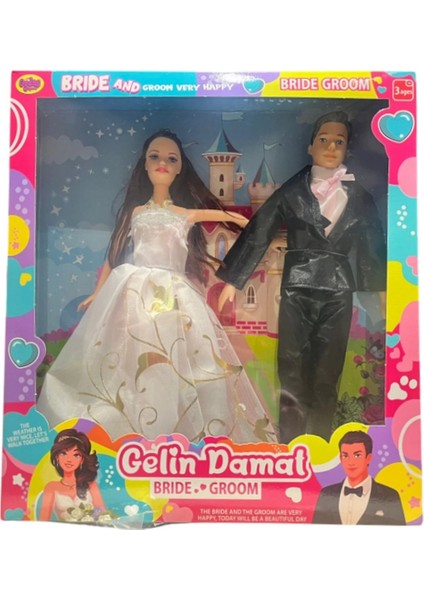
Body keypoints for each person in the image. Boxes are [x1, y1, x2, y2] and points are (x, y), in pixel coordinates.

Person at [37, 130, 277, 443]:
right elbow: (113, 253)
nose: (163, 163)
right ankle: (130, 426)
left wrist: (250, 223)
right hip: (135, 290)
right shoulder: (135, 213)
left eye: (171, 158)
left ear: (179, 169)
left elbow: (223, 215)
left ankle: (172, 429)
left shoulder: (185, 214)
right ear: (145, 164)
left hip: (174, 293)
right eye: (155, 156)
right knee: (127, 356)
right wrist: (98, 291)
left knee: (178, 356)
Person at [217, 112, 386, 442]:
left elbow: (372, 244)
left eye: (339, 142)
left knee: (328, 374)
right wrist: (233, 278)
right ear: (310, 147)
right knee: (291, 371)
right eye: (324, 140)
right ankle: (290, 445)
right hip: (297, 289)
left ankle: (321, 445)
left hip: (338, 291)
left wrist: (381, 290)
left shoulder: (360, 197)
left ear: (347, 149)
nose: (331, 147)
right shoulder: (292, 192)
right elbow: (261, 230)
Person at [313, 430, 405, 525]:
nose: (351, 462)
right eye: (345, 456)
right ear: (340, 458)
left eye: (357, 455)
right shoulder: (326, 494)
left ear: (368, 458)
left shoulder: (389, 496)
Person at [40, 428, 107, 522]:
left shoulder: (91, 486)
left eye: (76, 455)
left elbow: (104, 517)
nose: (69, 459)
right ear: (57, 457)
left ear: (82, 460)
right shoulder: (51, 488)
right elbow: (43, 522)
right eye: (63, 453)